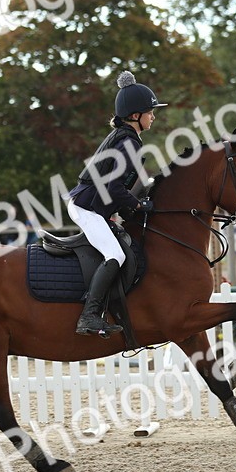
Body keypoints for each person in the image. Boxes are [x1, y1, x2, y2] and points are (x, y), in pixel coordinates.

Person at [66, 70, 163, 336]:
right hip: (87, 207)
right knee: (115, 254)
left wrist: (128, 207)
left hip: (92, 204)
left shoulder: (125, 137)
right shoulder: (129, 143)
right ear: (135, 115)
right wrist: (138, 206)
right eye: (150, 112)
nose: (153, 116)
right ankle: (89, 316)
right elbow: (115, 189)